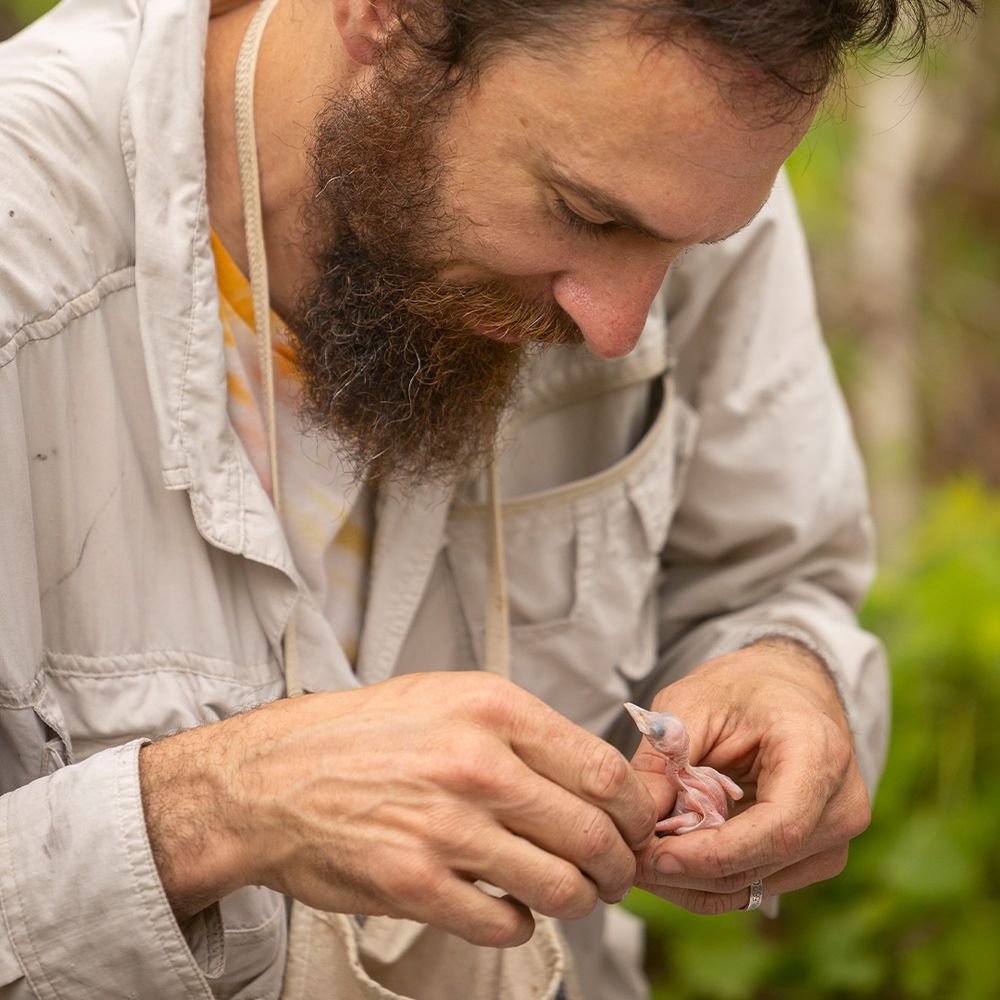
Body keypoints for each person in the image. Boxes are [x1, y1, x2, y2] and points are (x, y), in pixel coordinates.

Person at [0, 0, 972, 997]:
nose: (620, 324)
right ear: (389, 18)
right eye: (583, 215)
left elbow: (776, 578)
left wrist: (790, 668)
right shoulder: (22, 239)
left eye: (682, 250)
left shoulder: (684, 166)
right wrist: (211, 809)